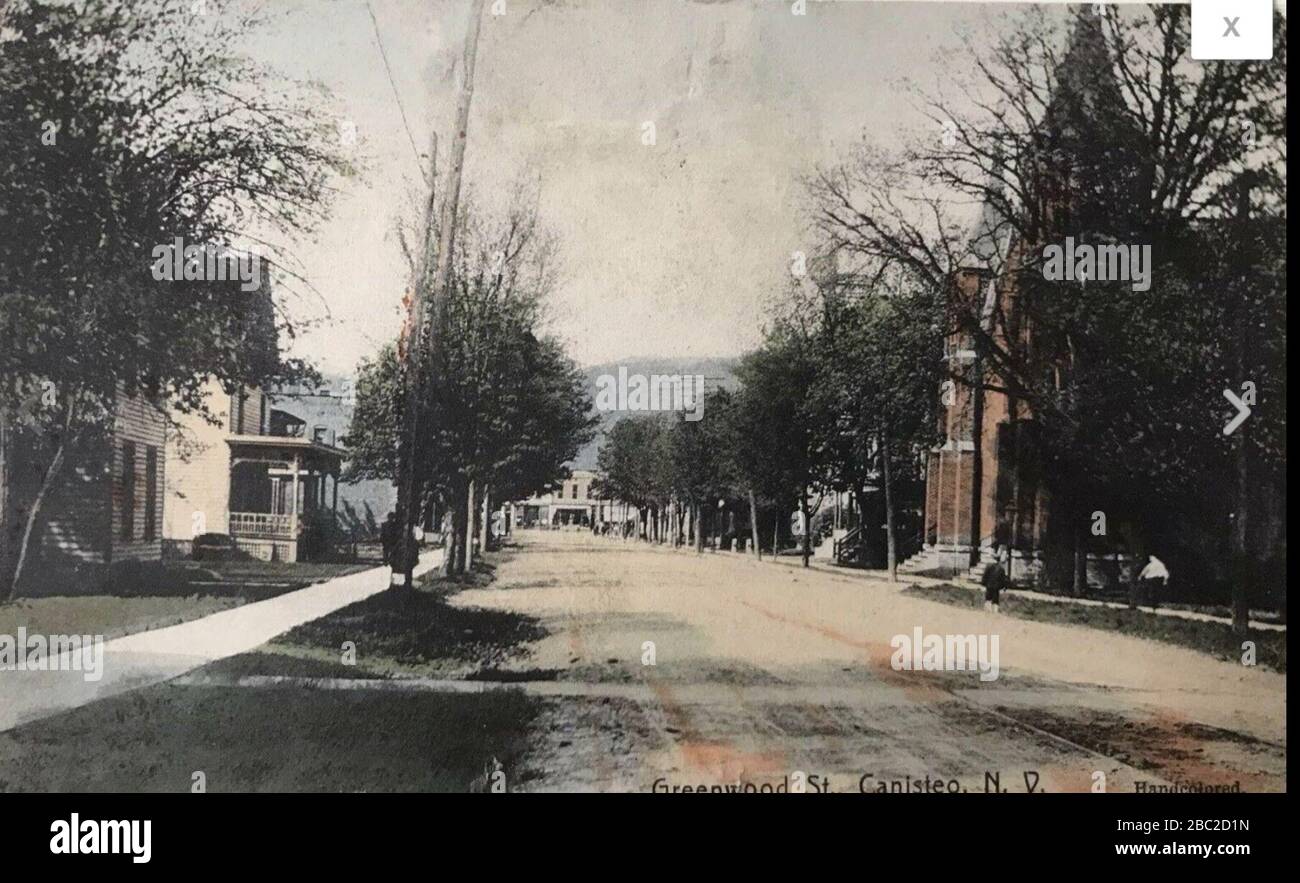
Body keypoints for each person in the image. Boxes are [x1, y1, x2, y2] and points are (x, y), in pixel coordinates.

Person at [982, 545, 1009, 614]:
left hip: (989, 586)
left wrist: (984, 583)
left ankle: (987, 612)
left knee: (988, 598)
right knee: (995, 600)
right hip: (996, 587)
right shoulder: (1001, 568)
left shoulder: (989, 566)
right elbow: (1003, 579)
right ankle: (994, 612)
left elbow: (985, 576)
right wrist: (1004, 587)